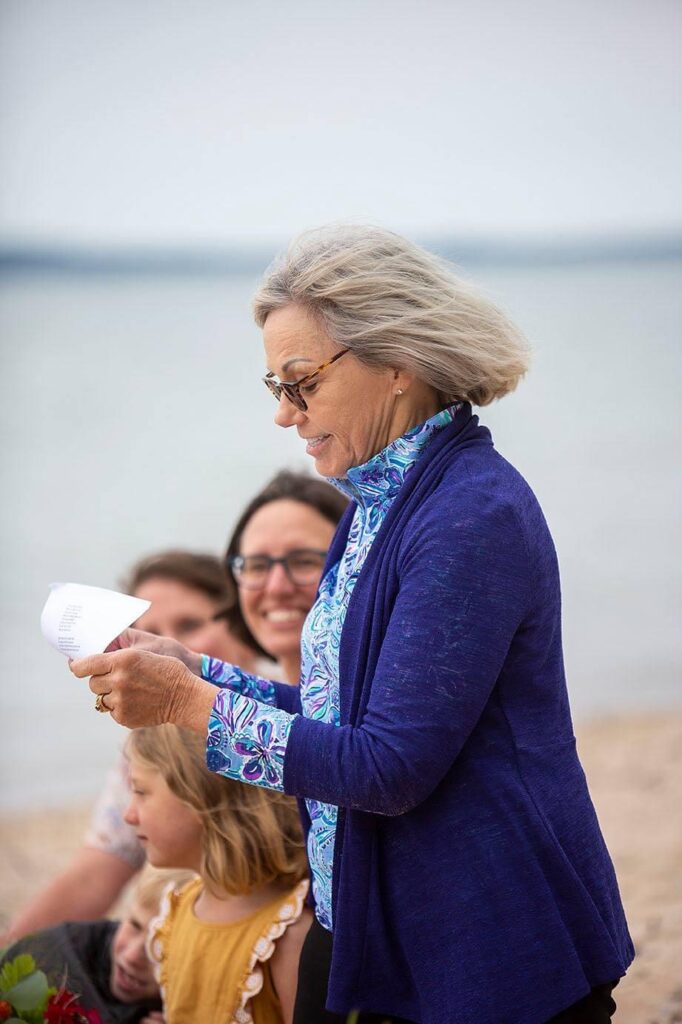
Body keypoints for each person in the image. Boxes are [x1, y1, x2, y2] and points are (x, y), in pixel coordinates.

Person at [71, 226, 634, 1024]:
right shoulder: (381, 501)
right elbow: (344, 718)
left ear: (398, 362)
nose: (283, 413)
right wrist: (197, 670)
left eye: (300, 383)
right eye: (274, 386)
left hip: (491, 941)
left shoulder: (471, 513)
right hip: (385, 924)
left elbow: (388, 768)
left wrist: (181, 707)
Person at [125, 723, 312, 1024]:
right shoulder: (175, 914)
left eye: (140, 791)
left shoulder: (287, 937)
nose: (129, 814)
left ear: (198, 795)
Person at [1, 868, 184, 1024]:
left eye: (159, 947)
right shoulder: (53, 958)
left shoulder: (196, 1007)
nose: (132, 956)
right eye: (134, 925)